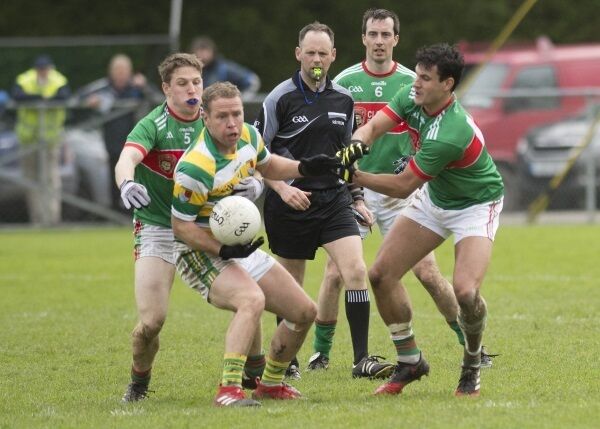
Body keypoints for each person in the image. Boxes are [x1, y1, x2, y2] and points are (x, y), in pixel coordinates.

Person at [307, 8, 494, 373]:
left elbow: (433, 139)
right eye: (372, 34)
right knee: (336, 272)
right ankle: (320, 353)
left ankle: (471, 343)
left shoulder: (415, 83)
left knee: (427, 273)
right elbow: (355, 130)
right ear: (363, 38)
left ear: (396, 39)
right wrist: (348, 165)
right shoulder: (344, 82)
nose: (379, 41)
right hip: (354, 189)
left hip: (401, 190)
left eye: (385, 35)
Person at [339, 43, 504, 397]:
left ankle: (472, 361)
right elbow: (371, 129)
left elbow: (402, 187)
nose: (416, 83)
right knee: (381, 275)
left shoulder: (452, 130)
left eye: (426, 78)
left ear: (447, 85)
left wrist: (356, 176)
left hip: (475, 205)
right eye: (417, 74)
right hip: (435, 197)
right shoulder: (411, 95)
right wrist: (355, 146)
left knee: (465, 291)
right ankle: (410, 360)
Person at [170, 81, 339, 407]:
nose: (232, 123)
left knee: (304, 312)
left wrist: (303, 167)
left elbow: (268, 164)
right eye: (222, 117)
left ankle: (271, 384)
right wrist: (221, 251)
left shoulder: (248, 135)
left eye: (237, 113)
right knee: (251, 300)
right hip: (198, 251)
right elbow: (180, 227)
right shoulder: (195, 168)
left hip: (238, 245)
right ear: (204, 116)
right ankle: (229, 390)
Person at [254, 21, 394, 380]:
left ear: (333, 57)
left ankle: (361, 359)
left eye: (323, 53)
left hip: (333, 200)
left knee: (356, 271)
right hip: (290, 204)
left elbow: (348, 156)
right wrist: (283, 189)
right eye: (310, 52)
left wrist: (358, 198)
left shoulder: (344, 100)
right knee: (292, 291)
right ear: (298, 54)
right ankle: (289, 361)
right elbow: (254, 155)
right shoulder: (279, 98)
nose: (316, 59)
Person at [114, 53, 207, 402]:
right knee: (152, 322)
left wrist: (254, 182)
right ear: (166, 88)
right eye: (182, 83)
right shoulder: (152, 125)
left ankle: (255, 374)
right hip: (157, 226)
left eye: (196, 82)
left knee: (249, 297)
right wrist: (126, 183)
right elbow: (127, 159)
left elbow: (250, 153)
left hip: (204, 223)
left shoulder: (213, 120)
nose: (191, 89)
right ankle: (139, 382)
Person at [78, 54, 157, 211]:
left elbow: (158, 99)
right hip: (112, 142)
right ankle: (115, 211)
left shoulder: (138, 87)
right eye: (117, 70)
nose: (120, 74)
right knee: (115, 175)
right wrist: (90, 102)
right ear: (111, 72)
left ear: (130, 71)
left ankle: (140, 210)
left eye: (123, 70)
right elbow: (79, 98)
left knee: (139, 176)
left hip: (137, 143)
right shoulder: (103, 88)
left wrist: (145, 86)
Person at [12, 54, 70, 225]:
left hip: (50, 139)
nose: (43, 72)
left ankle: (52, 218)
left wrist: (39, 100)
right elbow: (17, 96)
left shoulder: (58, 80)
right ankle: (37, 218)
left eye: (46, 69)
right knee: (31, 180)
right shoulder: (25, 79)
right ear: (35, 69)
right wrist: (43, 100)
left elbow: (63, 96)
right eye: (40, 69)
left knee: (51, 179)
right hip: (28, 139)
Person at [190, 36, 261, 100]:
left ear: (212, 52)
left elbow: (252, 80)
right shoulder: (192, 71)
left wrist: (241, 100)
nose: (203, 55)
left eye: (205, 51)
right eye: (200, 51)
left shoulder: (225, 69)